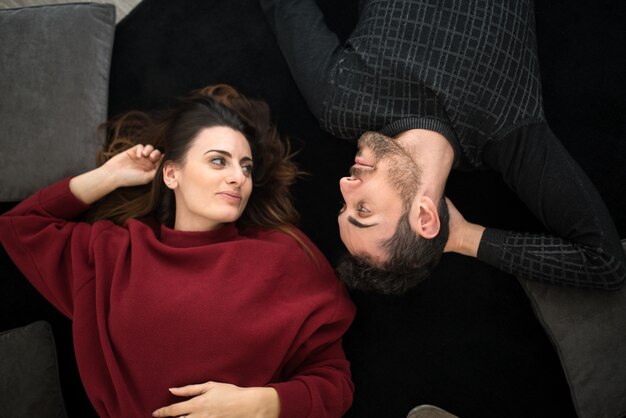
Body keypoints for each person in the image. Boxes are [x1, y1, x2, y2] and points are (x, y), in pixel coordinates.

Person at [0, 84, 356, 417]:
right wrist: (110, 175)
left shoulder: (285, 256)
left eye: (245, 167)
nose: (238, 177)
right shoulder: (115, 252)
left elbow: (335, 385)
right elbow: (20, 225)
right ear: (172, 174)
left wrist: (258, 403)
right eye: (219, 161)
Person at [260, 0, 626, 295]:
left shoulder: (339, 104)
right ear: (425, 217)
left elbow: (285, 8)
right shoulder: (506, 132)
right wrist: (466, 238)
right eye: (363, 208)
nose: (343, 184)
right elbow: (605, 265)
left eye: (343, 205)